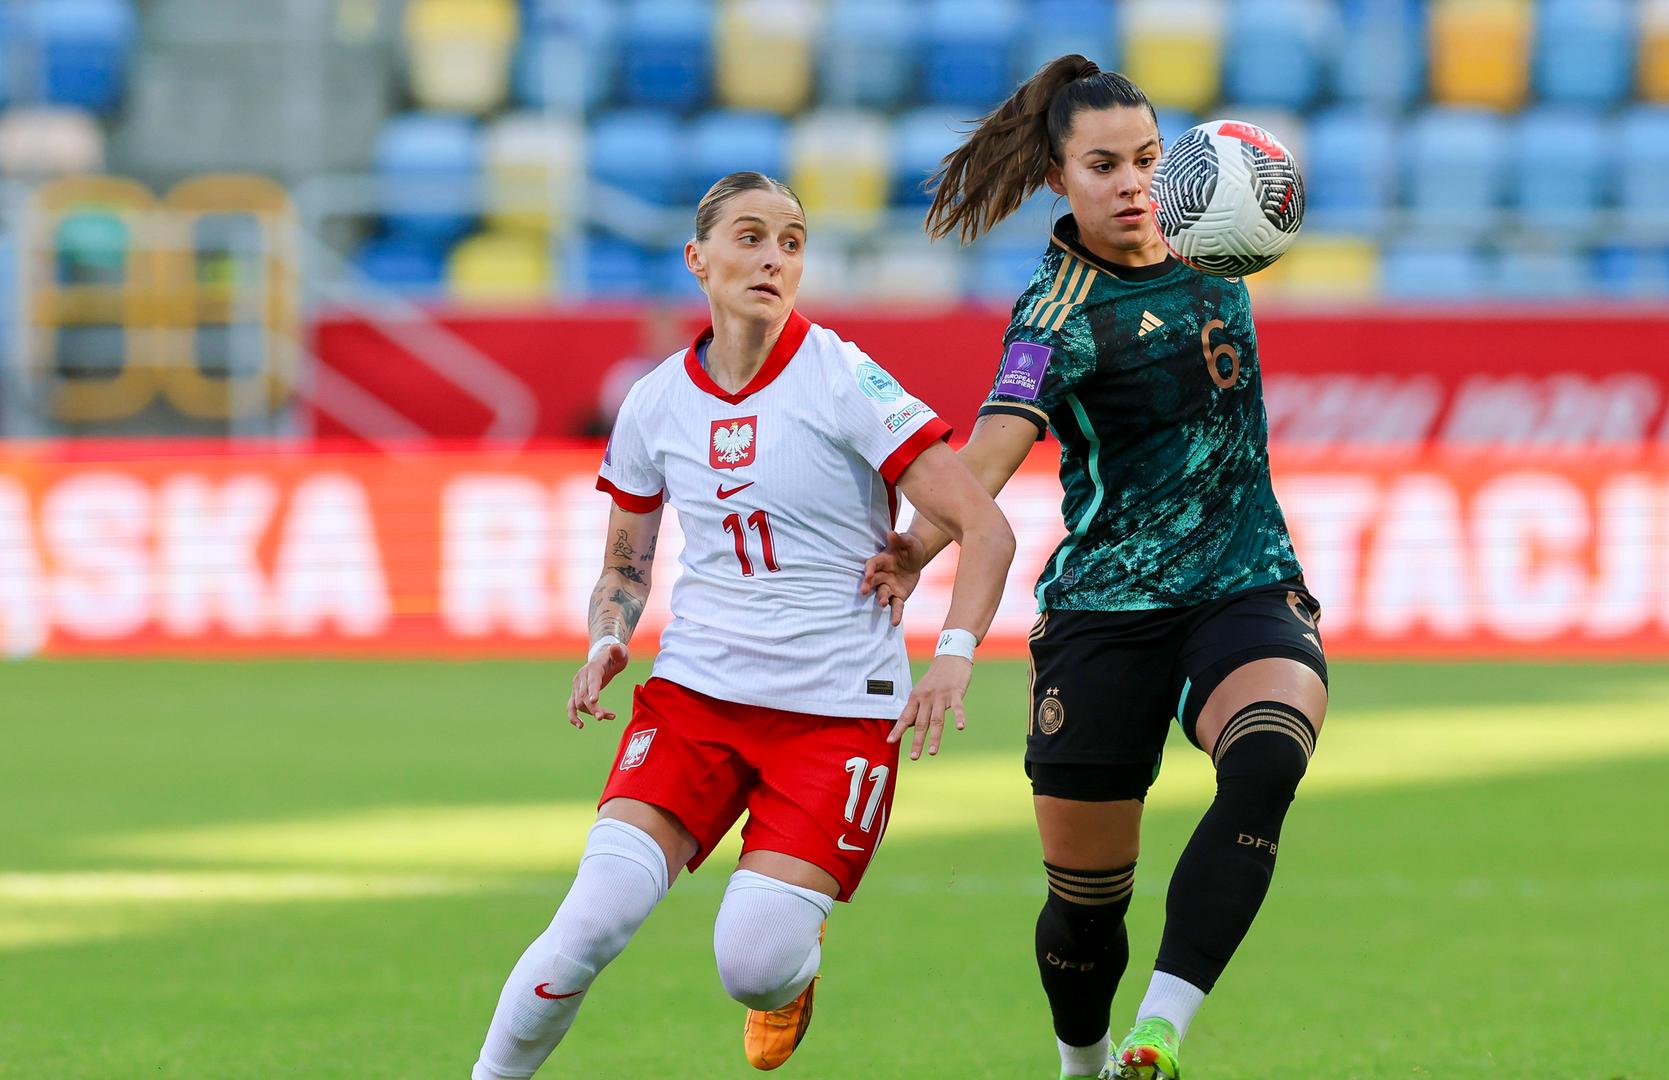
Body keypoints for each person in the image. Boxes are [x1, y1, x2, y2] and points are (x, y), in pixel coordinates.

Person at [471, 171, 1016, 1079]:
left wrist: (953, 658)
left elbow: (985, 526)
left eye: (792, 242)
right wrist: (609, 637)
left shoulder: (840, 376)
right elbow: (625, 564)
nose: (773, 258)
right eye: (752, 237)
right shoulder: (652, 403)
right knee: (590, 921)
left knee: (753, 965)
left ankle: (789, 984)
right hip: (694, 699)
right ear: (699, 259)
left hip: (838, 711)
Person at [861, 57, 1329, 1080]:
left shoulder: (1216, 237)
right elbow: (991, 448)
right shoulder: (1057, 311)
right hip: (1106, 612)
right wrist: (916, 544)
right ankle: (1086, 1061)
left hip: (1244, 580)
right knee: (1084, 912)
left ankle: (1158, 1035)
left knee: (1265, 761)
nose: (1132, 183)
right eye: (1104, 164)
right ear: (1059, 179)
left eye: (1148, 160)